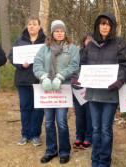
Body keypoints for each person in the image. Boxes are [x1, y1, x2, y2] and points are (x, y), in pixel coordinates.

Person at [71, 12, 126, 167]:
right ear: (98, 26)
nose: (105, 27)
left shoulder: (119, 43)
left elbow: (125, 64)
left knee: (105, 129)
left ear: (112, 26)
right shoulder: (90, 44)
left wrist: (119, 80)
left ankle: (104, 161)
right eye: (102, 23)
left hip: (110, 92)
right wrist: (76, 76)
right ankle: (95, 160)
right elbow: (82, 63)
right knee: (95, 128)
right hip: (92, 92)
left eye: (108, 24)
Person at [33, 20, 79, 164]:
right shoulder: (44, 48)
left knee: (61, 121)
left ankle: (64, 151)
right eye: (56, 31)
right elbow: (37, 64)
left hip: (62, 89)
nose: (59, 33)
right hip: (46, 90)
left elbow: (74, 65)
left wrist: (61, 76)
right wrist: (43, 76)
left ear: (65, 32)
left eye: (62, 31)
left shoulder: (71, 48)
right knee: (48, 122)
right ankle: (51, 150)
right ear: (52, 33)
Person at [8, 16, 45, 147]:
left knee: (38, 108)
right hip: (22, 79)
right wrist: (20, 64)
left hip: (39, 80)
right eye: (29, 24)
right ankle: (25, 134)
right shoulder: (19, 41)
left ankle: (35, 135)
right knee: (25, 107)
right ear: (27, 26)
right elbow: (11, 56)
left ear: (39, 26)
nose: (32, 26)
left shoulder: (46, 41)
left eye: (34, 24)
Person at [72, 32, 93, 150]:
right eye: (87, 39)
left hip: (89, 89)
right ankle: (79, 136)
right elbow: (72, 67)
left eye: (91, 40)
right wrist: (75, 78)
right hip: (77, 89)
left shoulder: (96, 53)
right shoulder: (76, 52)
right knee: (79, 115)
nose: (89, 42)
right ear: (83, 41)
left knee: (89, 115)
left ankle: (88, 137)